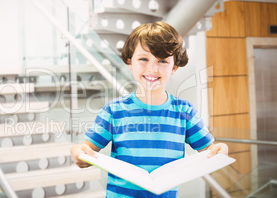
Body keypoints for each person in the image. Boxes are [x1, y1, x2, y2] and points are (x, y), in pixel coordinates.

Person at [70, 21, 228, 197]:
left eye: (162, 61)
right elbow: (86, 149)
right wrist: (78, 152)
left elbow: (209, 152)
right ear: (130, 62)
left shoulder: (185, 112)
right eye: (143, 59)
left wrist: (220, 150)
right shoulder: (113, 111)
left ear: (174, 67)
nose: (152, 69)